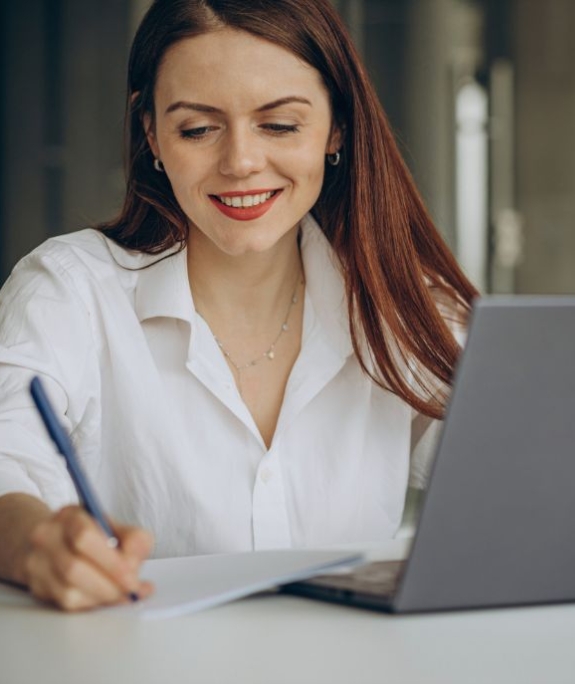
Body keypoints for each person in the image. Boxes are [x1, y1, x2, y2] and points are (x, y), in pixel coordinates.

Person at [0, 0, 477, 612]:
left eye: (279, 125)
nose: (241, 163)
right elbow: (7, 467)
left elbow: (513, 475)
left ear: (336, 128)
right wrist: (37, 544)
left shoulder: (399, 303)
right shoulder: (70, 290)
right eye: (198, 129)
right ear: (152, 134)